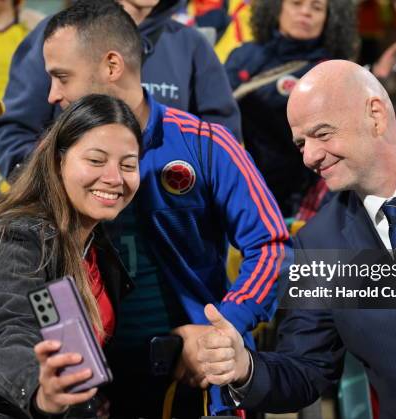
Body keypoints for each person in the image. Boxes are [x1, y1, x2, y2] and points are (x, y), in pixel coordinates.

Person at [195, 60, 396, 418]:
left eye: (322, 134)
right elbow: (306, 368)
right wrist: (245, 367)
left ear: (376, 115)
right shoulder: (320, 245)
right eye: (300, 143)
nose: (310, 156)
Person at [39, 1, 289, 416]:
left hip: (197, 382)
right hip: (94, 392)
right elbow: (36, 267)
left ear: (112, 66)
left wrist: (221, 330)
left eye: (62, 77)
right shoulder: (51, 155)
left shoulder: (207, 144)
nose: (52, 95)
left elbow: (272, 244)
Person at [0, 94, 142, 417]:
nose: (114, 178)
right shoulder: (17, 235)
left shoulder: (97, 241)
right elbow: (8, 328)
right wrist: (39, 388)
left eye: (128, 165)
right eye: (95, 160)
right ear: (58, 160)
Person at [0, 0, 240, 180]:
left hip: (169, 227)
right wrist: (58, 182)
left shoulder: (190, 44)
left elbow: (222, 138)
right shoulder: (58, 36)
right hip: (76, 229)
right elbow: (13, 132)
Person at [225, 0, 396, 217]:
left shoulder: (331, 68)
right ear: (276, 8)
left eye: (317, 7)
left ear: (330, 19)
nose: (306, 13)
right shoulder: (244, 56)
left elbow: (353, 106)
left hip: (306, 192)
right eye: (296, 4)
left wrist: (376, 77)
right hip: (247, 186)